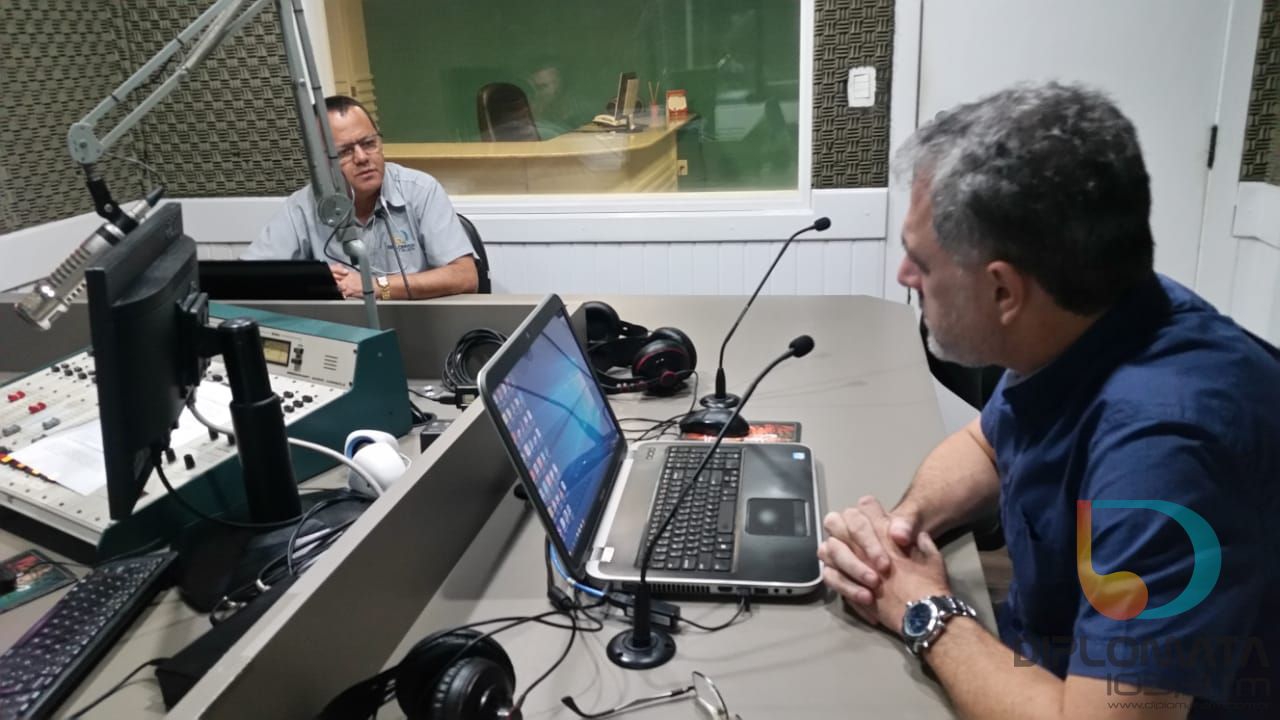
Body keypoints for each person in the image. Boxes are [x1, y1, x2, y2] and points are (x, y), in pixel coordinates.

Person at [819, 82, 1279, 719]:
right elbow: (988, 443)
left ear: (1004, 292)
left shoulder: (1164, 454)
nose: (904, 277)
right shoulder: (1090, 313)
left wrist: (924, 610)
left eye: (921, 262)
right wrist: (901, 531)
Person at [244, 95, 478, 299]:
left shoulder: (420, 190)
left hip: (417, 326)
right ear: (319, 163)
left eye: (369, 144)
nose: (362, 158)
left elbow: (465, 277)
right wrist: (312, 281)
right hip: (340, 330)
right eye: (344, 152)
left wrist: (376, 287)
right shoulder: (302, 206)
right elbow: (248, 280)